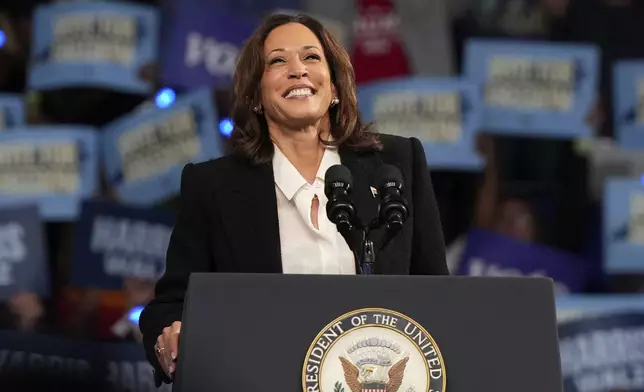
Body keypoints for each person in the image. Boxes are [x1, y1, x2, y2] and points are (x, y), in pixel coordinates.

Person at [139, 13, 448, 386]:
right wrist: (168, 338)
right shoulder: (214, 186)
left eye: (312, 57)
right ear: (255, 95)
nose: (298, 70)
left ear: (334, 86)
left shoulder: (398, 163)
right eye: (278, 61)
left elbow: (438, 296)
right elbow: (171, 304)